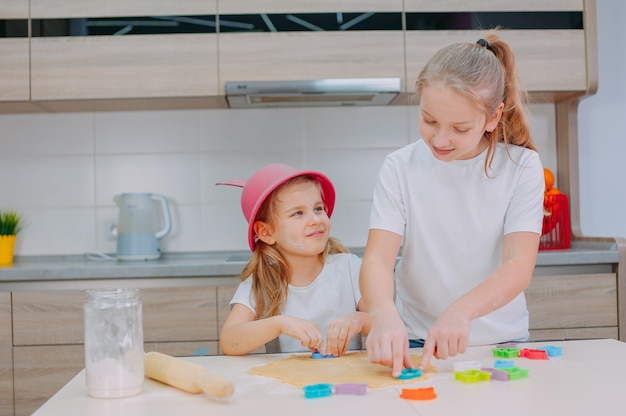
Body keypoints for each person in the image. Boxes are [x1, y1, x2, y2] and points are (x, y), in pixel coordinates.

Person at [360, 32, 545, 377]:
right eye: (429, 121)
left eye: (459, 128)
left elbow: (519, 264)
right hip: (417, 343)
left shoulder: (521, 168)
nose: (440, 139)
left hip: (501, 345)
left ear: (493, 117)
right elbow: (377, 259)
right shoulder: (400, 167)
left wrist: (462, 310)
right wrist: (383, 314)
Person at [217, 163, 370, 356]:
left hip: (345, 383)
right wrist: (279, 324)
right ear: (266, 232)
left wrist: (360, 320)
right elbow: (229, 342)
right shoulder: (262, 282)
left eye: (318, 208)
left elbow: (383, 323)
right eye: (298, 213)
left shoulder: (349, 269)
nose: (315, 219)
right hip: (286, 386)